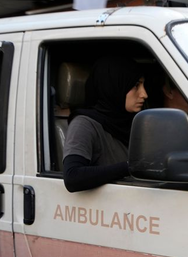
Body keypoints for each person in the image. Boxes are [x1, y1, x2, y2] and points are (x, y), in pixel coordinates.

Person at [62, 55, 148, 193]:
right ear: (114, 85)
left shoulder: (134, 122)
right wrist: (130, 167)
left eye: (143, 85)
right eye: (136, 85)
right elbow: (73, 177)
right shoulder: (84, 124)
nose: (144, 94)